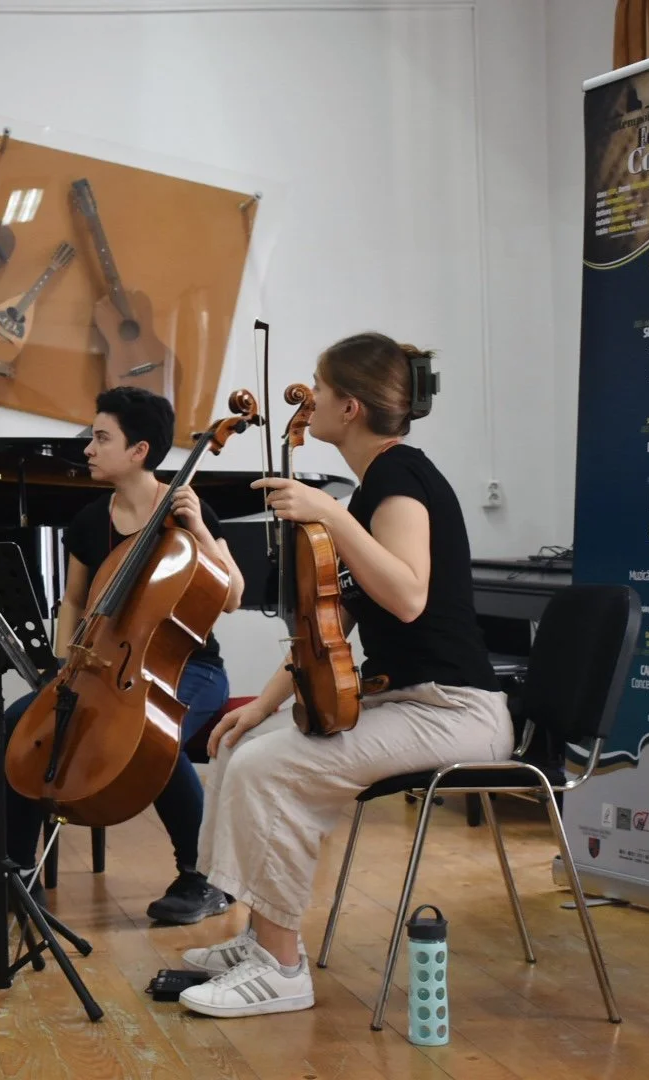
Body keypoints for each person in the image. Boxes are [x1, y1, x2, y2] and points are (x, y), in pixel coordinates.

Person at [178, 333, 512, 1019]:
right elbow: (330, 624)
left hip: (456, 713)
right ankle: (259, 938)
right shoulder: (370, 493)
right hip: (413, 705)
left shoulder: (399, 478)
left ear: (350, 407)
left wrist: (326, 510)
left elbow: (408, 594)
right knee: (246, 744)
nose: (313, 400)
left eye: (320, 390)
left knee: (273, 768)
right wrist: (261, 705)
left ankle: (281, 969)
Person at [0, 386, 246, 925]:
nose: (88, 448)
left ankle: (202, 877)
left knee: (152, 734)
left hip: (191, 668)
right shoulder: (91, 520)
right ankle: (17, 874)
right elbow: (72, 600)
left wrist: (200, 529)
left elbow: (232, 595)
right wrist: (66, 664)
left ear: (139, 451)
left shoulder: (189, 509)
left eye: (101, 437)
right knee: (17, 722)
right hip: (102, 667)